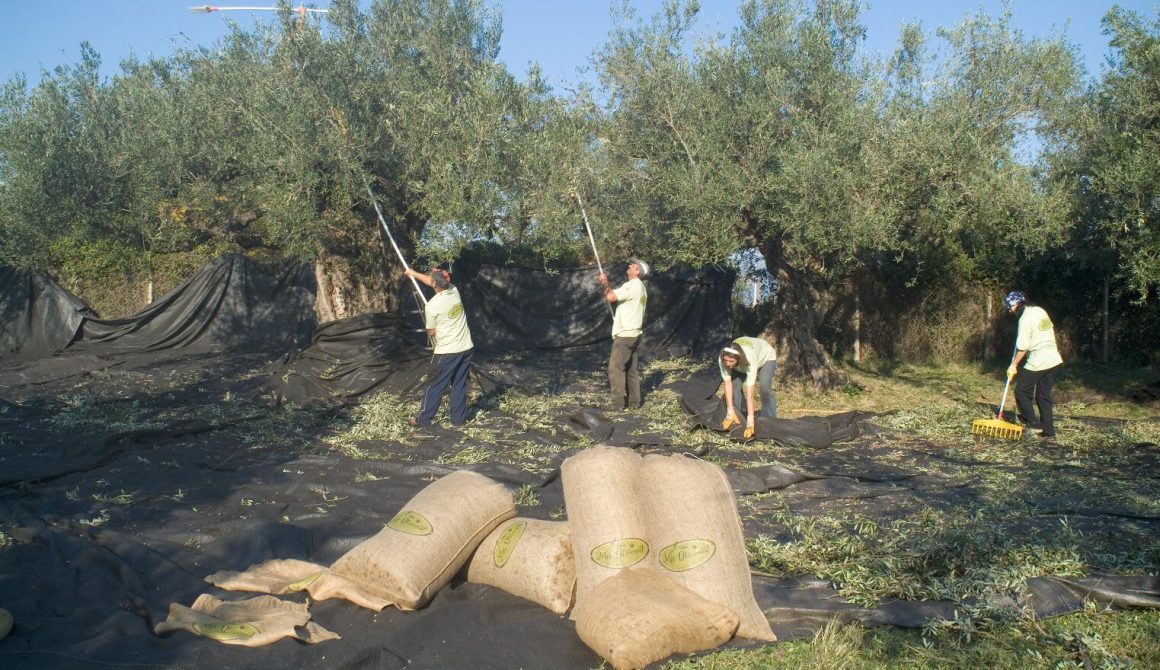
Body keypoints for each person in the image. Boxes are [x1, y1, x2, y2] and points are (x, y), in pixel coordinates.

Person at [405, 265, 475, 427]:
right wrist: (413, 274)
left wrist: (441, 330)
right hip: (466, 347)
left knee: (434, 384)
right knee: (459, 384)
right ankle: (458, 420)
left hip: (447, 352)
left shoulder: (432, 306)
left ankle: (423, 421)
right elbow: (433, 281)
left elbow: (431, 332)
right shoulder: (454, 290)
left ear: (435, 285)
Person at [1004, 291, 1063, 439]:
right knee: (1043, 396)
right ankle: (1049, 432)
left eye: (1009, 307)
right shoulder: (1040, 310)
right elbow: (1049, 328)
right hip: (1053, 358)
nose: (1010, 311)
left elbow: (1023, 347)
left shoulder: (1025, 319)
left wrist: (1013, 365)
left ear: (1016, 304)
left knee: (1021, 391)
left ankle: (1032, 423)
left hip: (1039, 359)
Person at [599, 259, 649, 411]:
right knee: (631, 370)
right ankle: (635, 403)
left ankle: (618, 405)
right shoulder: (642, 288)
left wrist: (604, 283)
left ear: (637, 271)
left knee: (615, 368)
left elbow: (611, 297)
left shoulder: (632, 286)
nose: (629, 266)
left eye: (632, 266)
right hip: (635, 333)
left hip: (626, 335)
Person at [719, 337, 778, 440]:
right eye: (726, 360)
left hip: (766, 358)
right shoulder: (723, 359)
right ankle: (737, 417)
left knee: (764, 387)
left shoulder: (750, 360)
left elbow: (750, 393)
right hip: (740, 364)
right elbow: (727, 384)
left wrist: (750, 422)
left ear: (739, 359)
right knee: (734, 385)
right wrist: (729, 411)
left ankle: (769, 419)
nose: (727, 364)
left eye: (731, 361)